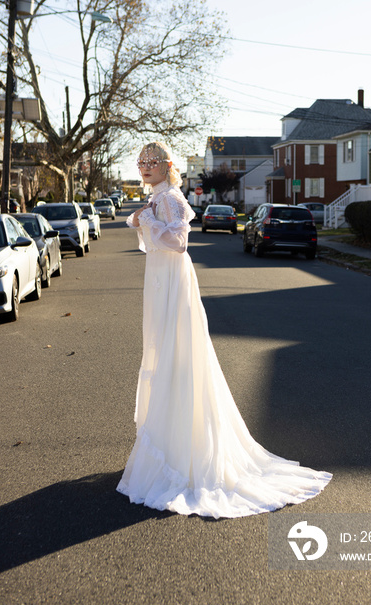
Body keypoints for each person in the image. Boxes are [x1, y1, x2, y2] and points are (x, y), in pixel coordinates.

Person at [117, 142, 332, 518]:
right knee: (168, 355)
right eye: (141, 162)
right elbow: (154, 241)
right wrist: (140, 219)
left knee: (177, 356)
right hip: (161, 282)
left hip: (172, 284)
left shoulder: (170, 199)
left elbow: (179, 242)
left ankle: (180, 454)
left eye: (153, 162)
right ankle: (174, 444)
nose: (146, 167)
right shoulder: (157, 198)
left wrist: (144, 220)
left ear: (168, 166)